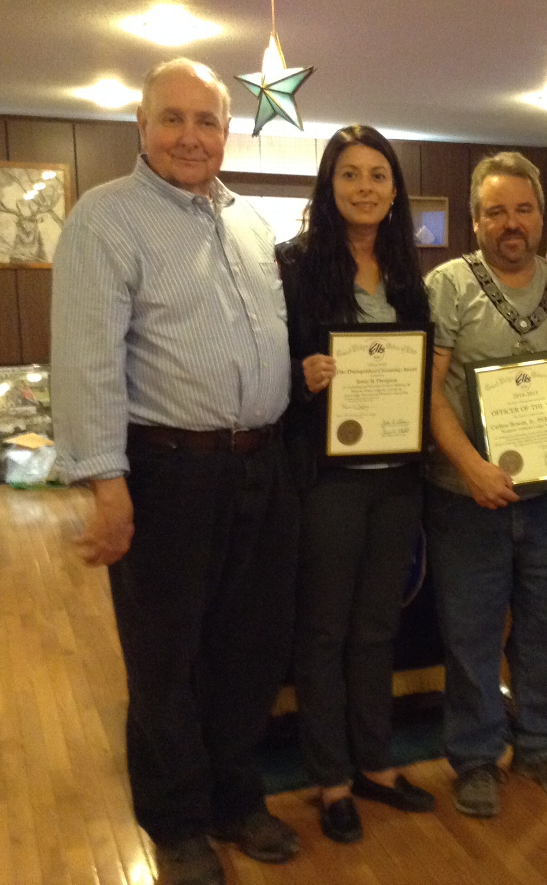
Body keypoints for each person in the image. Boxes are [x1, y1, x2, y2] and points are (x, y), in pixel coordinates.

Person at [50, 59, 300, 885]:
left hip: (261, 466)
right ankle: (178, 819)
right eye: (173, 119)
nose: (191, 136)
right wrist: (105, 483)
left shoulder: (251, 224)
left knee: (249, 649)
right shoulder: (106, 219)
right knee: (166, 657)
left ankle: (235, 793)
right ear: (142, 127)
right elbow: (86, 361)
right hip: (167, 475)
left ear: (227, 132)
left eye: (207, 121)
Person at [424, 151, 547, 818]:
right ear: (475, 221)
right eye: (495, 211)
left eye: (523, 209)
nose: (511, 222)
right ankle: (474, 755)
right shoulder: (447, 285)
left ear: (540, 214)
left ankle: (542, 743)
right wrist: (470, 464)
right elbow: (428, 389)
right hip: (463, 495)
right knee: (470, 632)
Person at [276, 124, 435, 845]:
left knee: (377, 627)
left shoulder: (408, 271)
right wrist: (300, 375)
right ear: (328, 185)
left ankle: (374, 761)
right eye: (350, 174)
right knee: (324, 630)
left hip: (398, 478)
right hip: (330, 481)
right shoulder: (295, 266)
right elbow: (267, 366)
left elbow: (425, 364)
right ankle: (330, 777)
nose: (365, 187)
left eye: (378, 174)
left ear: (394, 188)